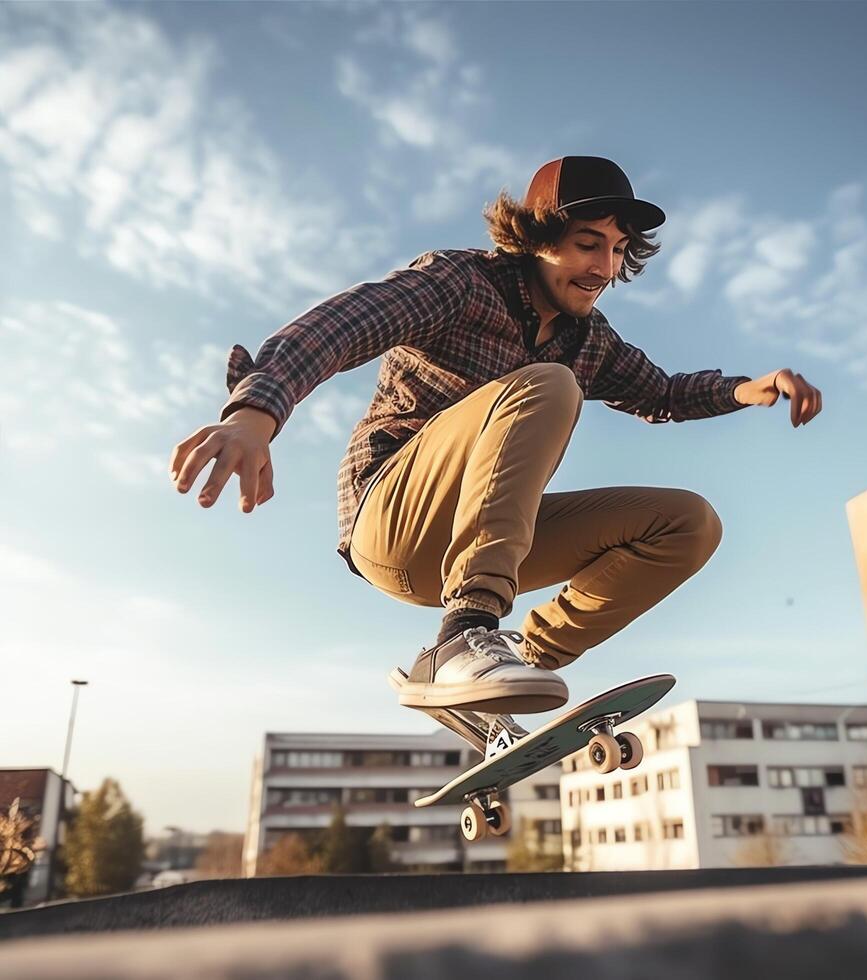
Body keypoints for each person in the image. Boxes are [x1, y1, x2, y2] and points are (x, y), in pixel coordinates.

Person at [170, 156, 821, 730]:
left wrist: (744, 388)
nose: (603, 268)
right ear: (535, 241)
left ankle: (509, 661)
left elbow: (662, 393)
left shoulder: (591, 338)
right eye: (587, 244)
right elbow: (340, 326)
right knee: (549, 385)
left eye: (618, 251)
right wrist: (254, 415)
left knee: (688, 523)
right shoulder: (459, 284)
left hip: (482, 546)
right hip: (391, 522)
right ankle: (466, 635)